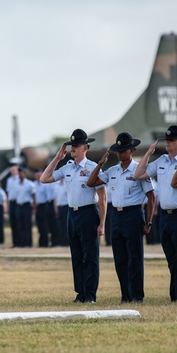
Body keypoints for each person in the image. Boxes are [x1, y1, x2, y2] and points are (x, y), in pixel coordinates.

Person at [40, 129, 106, 303]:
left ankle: (90, 295)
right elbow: (44, 178)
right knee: (77, 256)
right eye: (71, 146)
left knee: (90, 256)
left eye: (76, 145)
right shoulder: (67, 167)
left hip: (88, 213)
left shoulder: (92, 167)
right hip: (72, 214)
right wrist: (57, 158)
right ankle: (81, 293)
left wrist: (102, 223)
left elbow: (103, 197)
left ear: (86, 147)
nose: (73, 148)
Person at [87, 132, 155, 303]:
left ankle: (136, 295)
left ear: (131, 150)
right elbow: (91, 182)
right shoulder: (112, 171)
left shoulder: (139, 170)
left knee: (135, 258)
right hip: (115, 215)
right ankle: (125, 295)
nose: (120, 153)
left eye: (123, 150)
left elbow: (151, 197)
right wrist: (100, 163)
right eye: (118, 150)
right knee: (120, 259)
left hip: (133, 214)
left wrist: (148, 222)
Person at [134, 126, 177, 302]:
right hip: (165, 215)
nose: (168, 142)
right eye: (166, 140)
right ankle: (175, 294)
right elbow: (138, 174)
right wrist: (148, 152)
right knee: (171, 257)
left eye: (172, 140)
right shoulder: (161, 161)